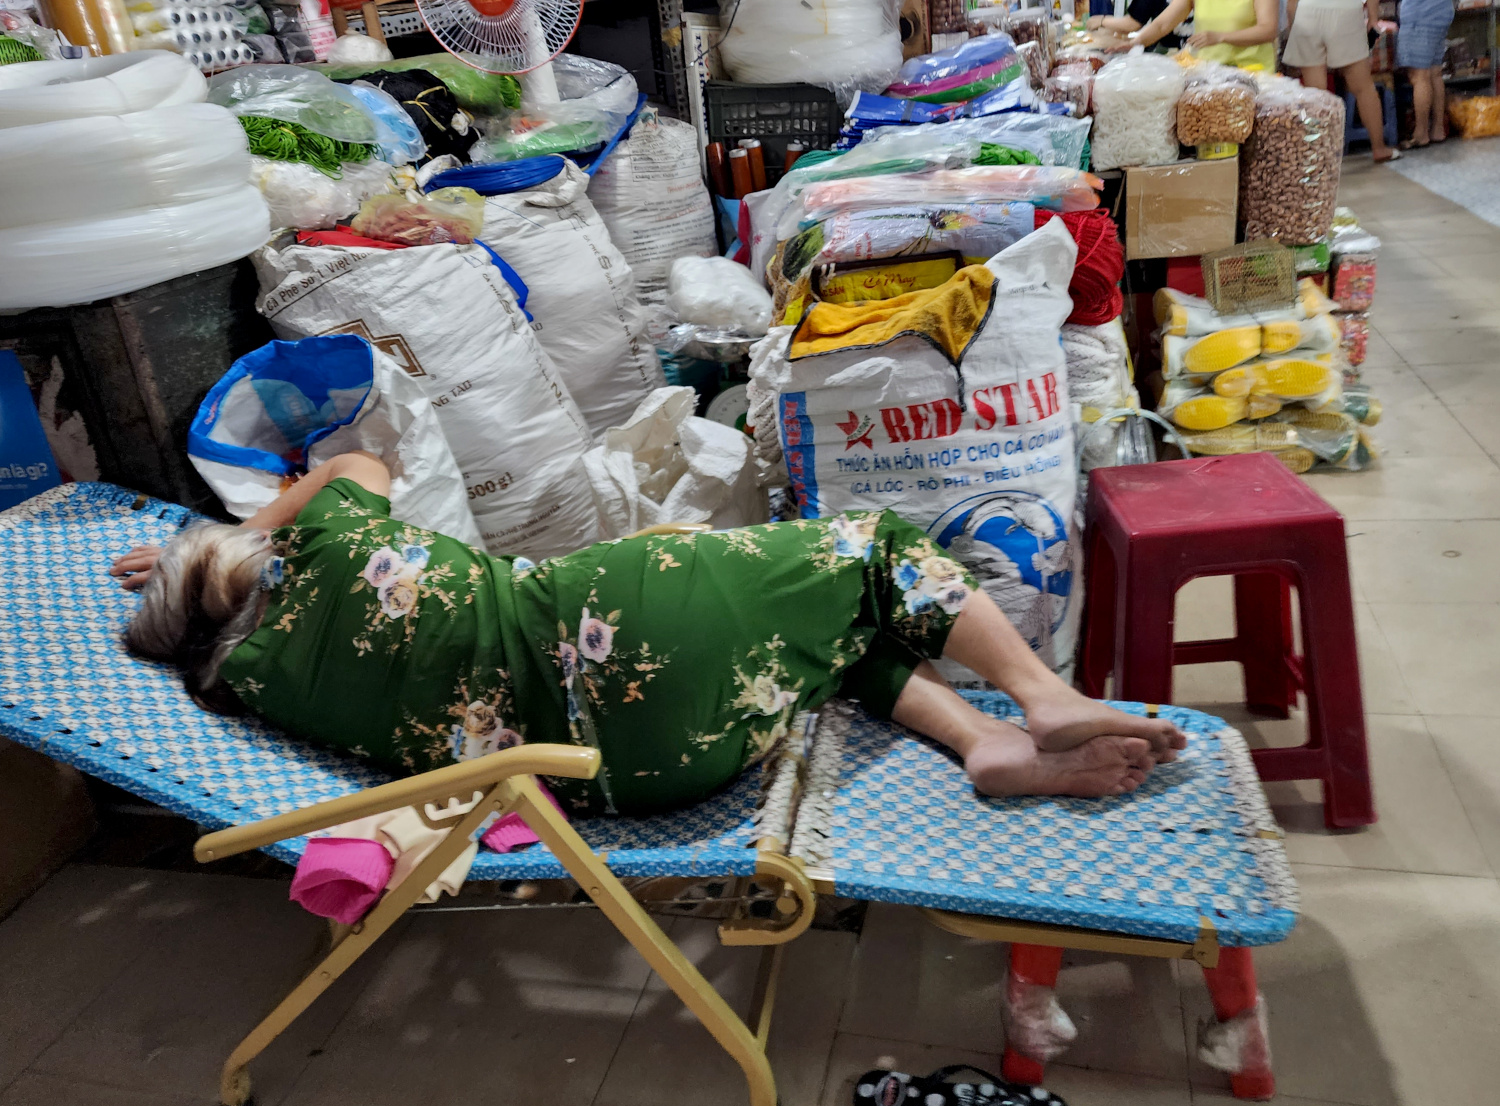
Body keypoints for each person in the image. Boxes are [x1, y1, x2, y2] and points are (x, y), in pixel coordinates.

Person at [112, 451, 1184, 819]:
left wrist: (198, 581)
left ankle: (982, 741)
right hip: (621, 628)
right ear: (246, 561)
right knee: (871, 552)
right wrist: (253, 525)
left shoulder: (249, 684)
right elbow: (358, 463)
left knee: (811, 638)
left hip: (645, 772)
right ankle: (1042, 698)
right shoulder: (333, 545)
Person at [1284, 0, 1398, 160]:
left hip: (1307, 12)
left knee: (1315, 94)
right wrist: (1373, 18)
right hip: (1345, 11)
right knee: (1363, 88)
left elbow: (1291, 4)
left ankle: (1319, 155)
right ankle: (1379, 148)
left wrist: (1293, 27)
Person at [1126, 0, 1279, 69]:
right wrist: (1135, 43)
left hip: (1252, 72)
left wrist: (1221, 37)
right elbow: (1163, 25)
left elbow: (1268, 30)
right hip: (1208, 71)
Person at [1395, 0, 1454, 147]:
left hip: (1420, 14)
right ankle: (1438, 130)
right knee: (1435, 72)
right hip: (1442, 10)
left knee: (1419, 76)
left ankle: (1421, 133)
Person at [1088, 0, 1184, 49]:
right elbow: (1161, 26)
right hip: (1177, 49)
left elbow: (1132, 24)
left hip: (1174, 51)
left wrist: (1101, 21)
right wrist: (1132, 43)